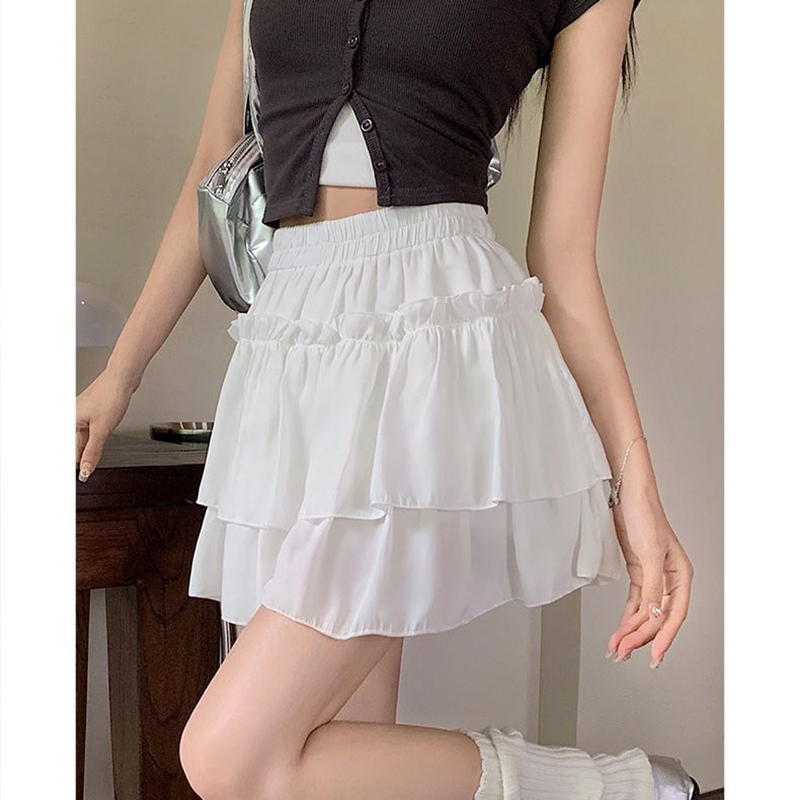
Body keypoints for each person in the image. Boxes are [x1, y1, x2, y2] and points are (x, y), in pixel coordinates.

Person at [76, 0, 697, 797]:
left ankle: (625, 789)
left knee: (228, 754)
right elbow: (215, 165)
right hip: (291, 353)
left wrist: (635, 486)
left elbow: (564, 256)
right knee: (322, 763)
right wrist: (119, 375)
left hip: (430, 343)